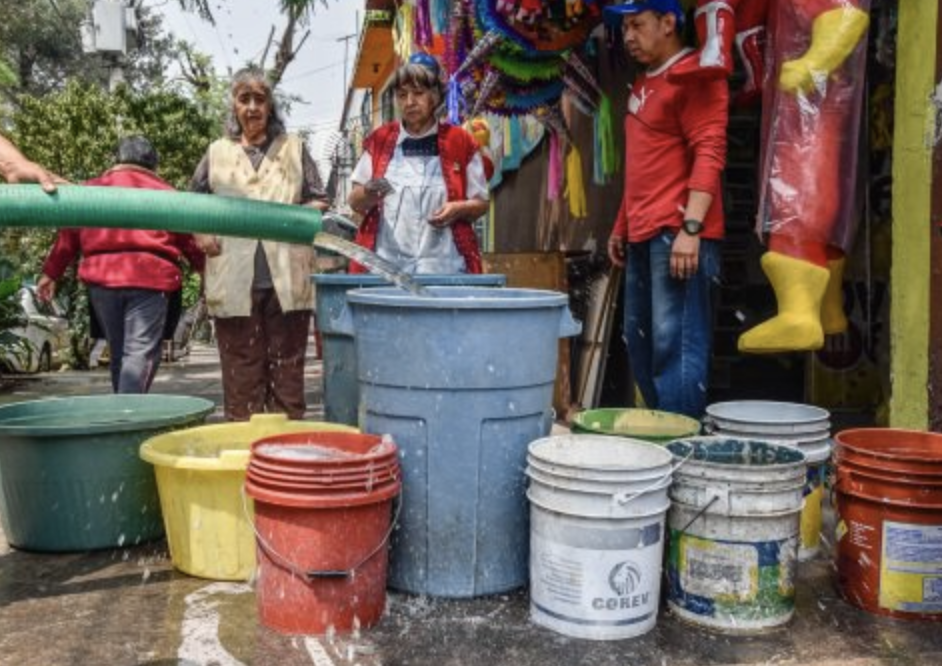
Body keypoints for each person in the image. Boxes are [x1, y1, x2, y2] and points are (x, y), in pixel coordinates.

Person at [605, 0, 729, 419]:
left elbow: (710, 151)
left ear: (669, 22)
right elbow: (643, 164)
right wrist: (620, 226)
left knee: (676, 347)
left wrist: (691, 229)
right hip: (642, 233)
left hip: (676, 234)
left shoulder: (695, 75)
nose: (628, 37)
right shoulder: (643, 83)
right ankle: (666, 439)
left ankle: (680, 448)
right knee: (638, 341)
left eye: (637, 25)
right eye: (624, 28)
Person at [190, 66, 328, 421]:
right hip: (233, 280)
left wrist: (299, 217)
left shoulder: (294, 148)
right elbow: (193, 203)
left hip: (288, 283)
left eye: (259, 99)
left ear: (270, 107)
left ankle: (285, 463)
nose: (252, 107)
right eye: (244, 99)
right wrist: (201, 233)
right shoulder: (217, 152)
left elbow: (318, 199)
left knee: (287, 377)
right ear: (234, 106)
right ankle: (244, 462)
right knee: (241, 381)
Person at [737, 0, 870, 353]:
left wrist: (811, 65)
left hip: (808, 112)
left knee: (795, 200)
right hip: (817, 108)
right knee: (822, 196)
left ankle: (798, 315)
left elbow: (845, 16)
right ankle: (827, 308)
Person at [37, 136, 204, 393]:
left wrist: (50, 273)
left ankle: (122, 410)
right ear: (153, 165)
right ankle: (127, 417)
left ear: (117, 160)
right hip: (151, 278)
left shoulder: (91, 190)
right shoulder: (167, 195)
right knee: (140, 354)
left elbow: (68, 236)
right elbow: (189, 242)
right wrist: (206, 272)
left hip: (102, 280)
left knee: (119, 353)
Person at [347, 53, 490, 274]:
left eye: (418, 93)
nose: (410, 102)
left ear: (435, 97)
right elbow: (354, 201)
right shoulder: (380, 140)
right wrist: (369, 191)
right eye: (402, 95)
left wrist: (458, 208)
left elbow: (481, 204)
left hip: (446, 269)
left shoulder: (461, 142)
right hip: (386, 271)